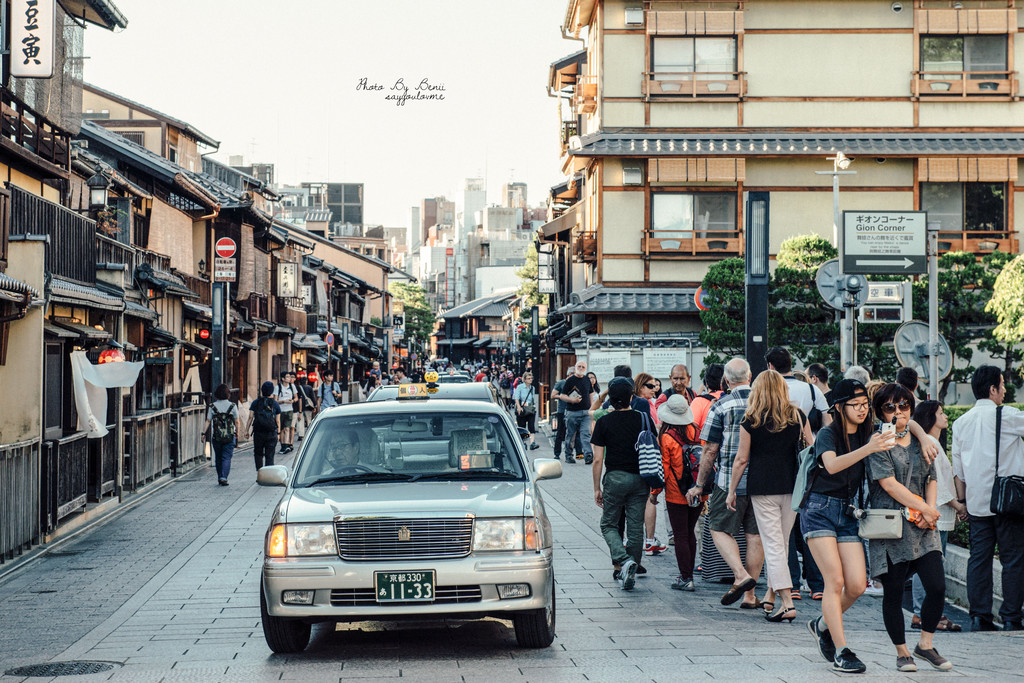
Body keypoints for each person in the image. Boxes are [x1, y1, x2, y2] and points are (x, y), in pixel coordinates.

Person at [801, 378, 892, 674]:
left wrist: (923, 435)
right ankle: (842, 650)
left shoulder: (871, 432)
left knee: (856, 584)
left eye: (865, 404)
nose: (863, 410)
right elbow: (830, 465)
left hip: (849, 512)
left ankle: (822, 624)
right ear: (839, 408)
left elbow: (904, 425)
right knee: (835, 581)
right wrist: (868, 448)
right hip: (819, 508)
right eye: (855, 405)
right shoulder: (829, 434)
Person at [866, 383, 951, 672]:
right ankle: (902, 652)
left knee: (937, 586)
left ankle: (925, 644)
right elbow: (888, 485)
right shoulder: (878, 442)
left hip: (924, 526)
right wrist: (926, 509)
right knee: (893, 591)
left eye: (904, 405)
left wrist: (930, 511)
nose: (898, 412)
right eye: (890, 407)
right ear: (879, 411)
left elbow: (931, 477)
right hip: (891, 526)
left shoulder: (921, 441)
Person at [727, 370, 814, 624]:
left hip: (762, 487)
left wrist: (732, 491)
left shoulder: (751, 419)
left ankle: (787, 603)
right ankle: (770, 595)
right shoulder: (798, 416)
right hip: (793, 486)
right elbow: (811, 449)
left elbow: (742, 459)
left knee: (774, 545)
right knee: (781, 543)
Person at [685, 358, 764, 610]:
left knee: (718, 528)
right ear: (750, 375)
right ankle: (750, 597)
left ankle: (740, 575)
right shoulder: (765, 402)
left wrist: (699, 484)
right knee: (755, 535)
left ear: (726, 381)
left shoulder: (721, 405)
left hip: (729, 479)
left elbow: (709, 450)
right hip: (763, 481)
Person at [952, 365, 1024, 632]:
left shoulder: (961, 422)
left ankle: (980, 616)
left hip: (977, 504)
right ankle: (1011, 617)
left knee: (978, 559)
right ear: (993, 388)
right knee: (1013, 560)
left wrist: (962, 503)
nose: (1004, 390)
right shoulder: (1008, 415)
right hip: (1009, 503)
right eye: (1002, 385)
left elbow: (958, 470)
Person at [910, 400, 964, 632]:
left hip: (939, 513)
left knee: (931, 565)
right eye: (942, 413)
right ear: (931, 417)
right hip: (936, 515)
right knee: (931, 566)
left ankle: (925, 613)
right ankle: (925, 613)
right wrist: (957, 505)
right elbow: (937, 482)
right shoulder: (930, 442)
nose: (946, 417)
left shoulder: (933, 442)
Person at [591, 381, 650, 591]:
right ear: (631, 397)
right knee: (635, 527)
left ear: (610, 399)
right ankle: (630, 567)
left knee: (608, 524)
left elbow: (597, 460)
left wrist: (597, 487)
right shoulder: (643, 418)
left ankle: (623, 561)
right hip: (641, 478)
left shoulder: (604, 422)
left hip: (615, 478)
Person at [658, 394, 702, 591]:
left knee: (680, 535)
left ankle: (686, 577)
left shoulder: (666, 436)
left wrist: (654, 492)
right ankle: (688, 573)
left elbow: (664, 469)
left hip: (676, 493)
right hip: (699, 490)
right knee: (690, 531)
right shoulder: (697, 431)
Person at [634, 372, 666, 555]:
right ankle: (649, 540)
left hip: (638, 454)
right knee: (648, 498)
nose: (655, 389)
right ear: (640, 386)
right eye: (650, 386)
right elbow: (649, 428)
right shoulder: (643, 403)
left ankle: (642, 539)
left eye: (655, 386)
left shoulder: (641, 401)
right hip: (647, 454)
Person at [203, 383, 240, 486]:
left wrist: (203, 433)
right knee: (226, 457)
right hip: (229, 435)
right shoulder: (233, 406)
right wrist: (237, 432)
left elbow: (208, 421)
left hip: (217, 436)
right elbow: (237, 421)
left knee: (218, 457)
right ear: (228, 394)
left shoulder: (212, 406)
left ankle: (220, 476)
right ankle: (224, 477)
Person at [561, 360, 597, 465]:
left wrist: (591, 408)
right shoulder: (570, 380)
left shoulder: (587, 380)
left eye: (583, 367)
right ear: (576, 367)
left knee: (586, 433)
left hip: (586, 412)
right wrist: (572, 400)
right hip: (572, 412)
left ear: (585, 369)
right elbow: (562, 395)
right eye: (579, 366)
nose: (581, 368)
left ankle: (588, 455)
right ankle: (568, 455)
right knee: (571, 435)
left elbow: (591, 394)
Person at [247, 381, 282, 470]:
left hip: (258, 432)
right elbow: (277, 421)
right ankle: (268, 474)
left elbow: (250, 417)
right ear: (272, 391)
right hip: (271, 432)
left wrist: (247, 431)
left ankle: (259, 471)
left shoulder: (256, 402)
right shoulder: (275, 404)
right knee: (270, 454)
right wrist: (278, 433)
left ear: (262, 391)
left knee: (258, 453)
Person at [551, 367, 582, 461]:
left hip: (575, 410)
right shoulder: (561, 383)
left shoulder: (577, 383)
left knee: (576, 433)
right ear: (569, 375)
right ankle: (557, 453)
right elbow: (553, 395)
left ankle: (578, 453)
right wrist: (564, 397)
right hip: (562, 410)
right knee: (561, 432)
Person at [689, 363, 725, 432]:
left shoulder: (699, 401)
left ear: (706, 384)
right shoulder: (730, 398)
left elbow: (692, 430)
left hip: (705, 442)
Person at [273, 371, 299, 454]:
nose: (289, 378)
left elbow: (296, 398)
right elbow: (275, 401)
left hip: (289, 409)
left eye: (289, 377)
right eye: (287, 377)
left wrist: (292, 401)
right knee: (282, 429)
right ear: (283, 378)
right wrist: (284, 401)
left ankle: (286, 445)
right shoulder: (278, 387)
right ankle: (283, 446)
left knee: (287, 428)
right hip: (280, 410)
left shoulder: (292, 386)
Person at [513, 371, 540, 450]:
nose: (530, 380)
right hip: (522, 408)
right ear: (524, 379)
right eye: (528, 378)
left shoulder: (532, 388)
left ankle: (532, 443)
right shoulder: (520, 387)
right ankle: (523, 443)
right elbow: (516, 398)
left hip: (530, 408)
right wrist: (518, 407)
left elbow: (532, 399)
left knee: (531, 426)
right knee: (522, 426)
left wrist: (534, 407)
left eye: (531, 378)